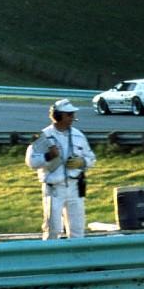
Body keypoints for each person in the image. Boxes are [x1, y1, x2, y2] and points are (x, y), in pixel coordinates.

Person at [25, 99, 96, 240]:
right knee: (53, 228)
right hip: (54, 189)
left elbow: (91, 158)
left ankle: (76, 259)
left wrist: (82, 162)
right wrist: (48, 156)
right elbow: (31, 162)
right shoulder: (43, 136)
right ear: (58, 116)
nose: (72, 118)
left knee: (77, 228)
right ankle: (50, 258)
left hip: (75, 187)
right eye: (69, 115)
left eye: (72, 114)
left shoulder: (78, 135)